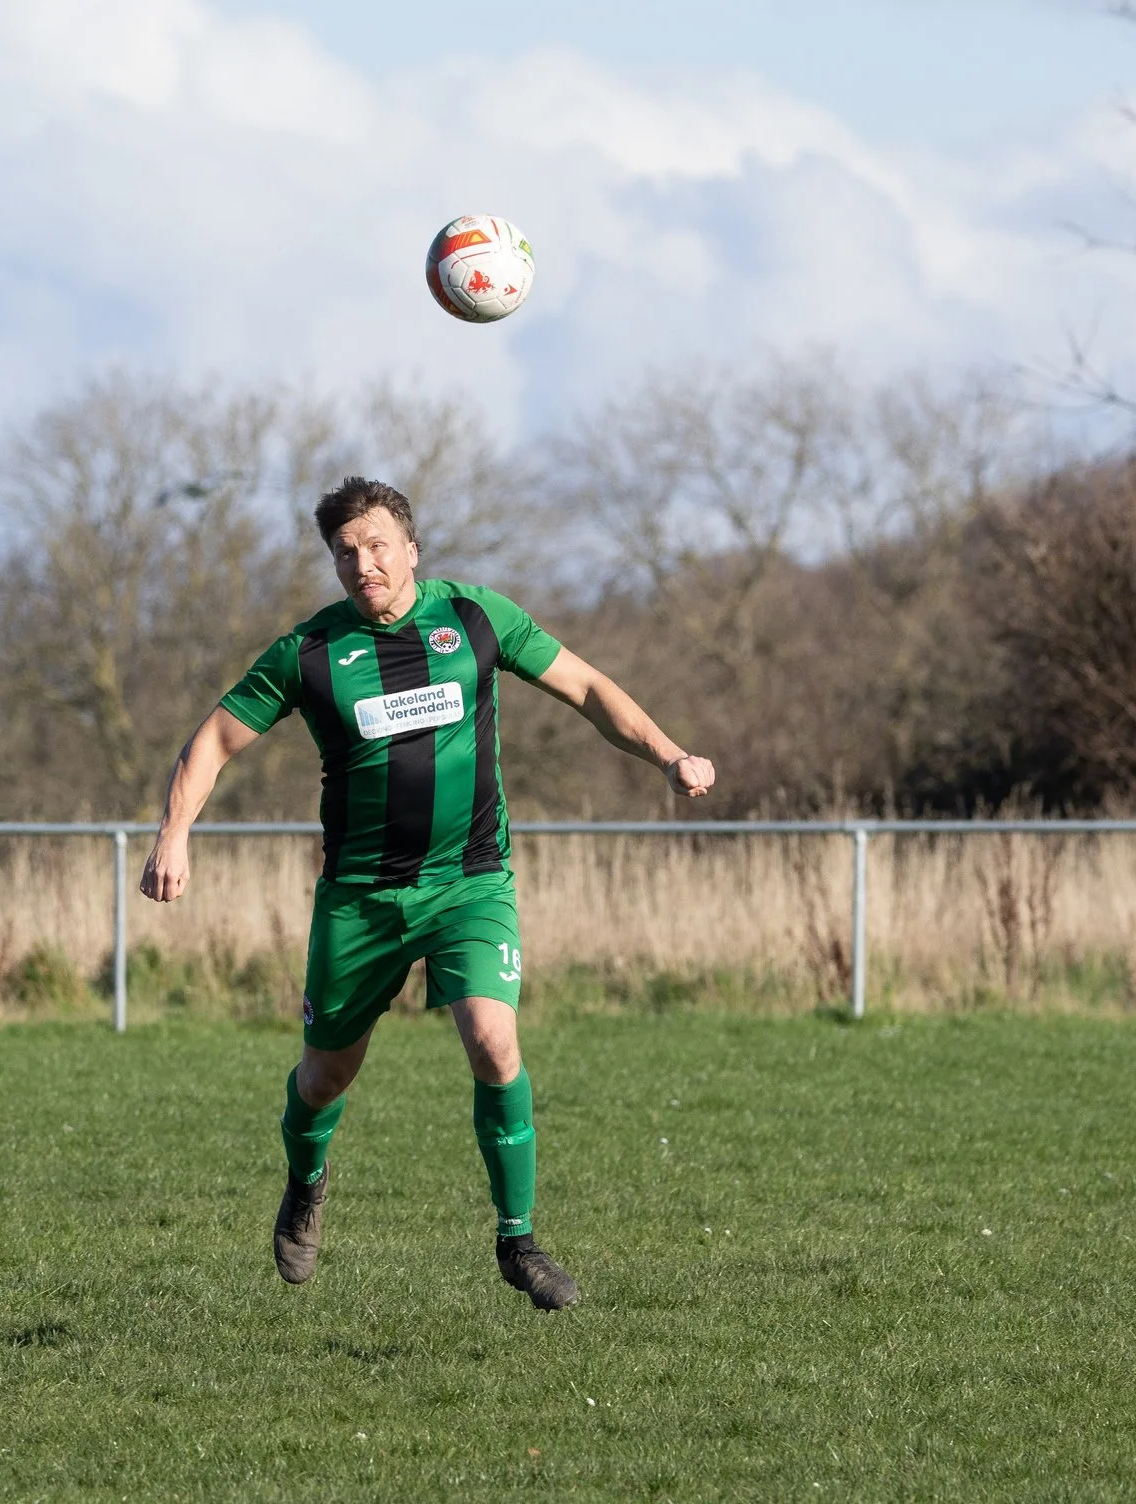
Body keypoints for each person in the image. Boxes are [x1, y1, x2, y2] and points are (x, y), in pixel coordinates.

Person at [141, 478, 715, 1310]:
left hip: (469, 883)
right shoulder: (308, 653)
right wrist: (173, 831)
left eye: (376, 545)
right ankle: (306, 1181)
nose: (362, 562)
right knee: (322, 1079)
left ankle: (517, 1240)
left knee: (493, 1041)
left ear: (411, 548)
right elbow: (212, 742)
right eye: (345, 551)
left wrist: (669, 755)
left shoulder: (476, 620)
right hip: (361, 900)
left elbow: (588, 688)